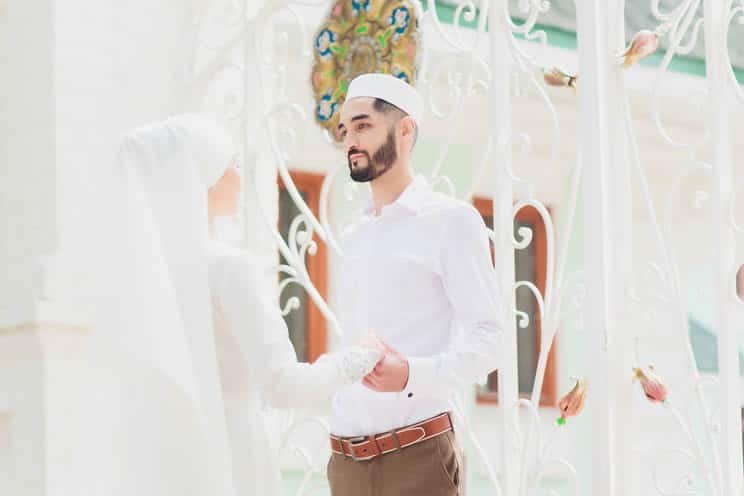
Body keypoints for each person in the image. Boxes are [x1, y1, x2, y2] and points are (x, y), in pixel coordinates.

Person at [119, 114, 382, 495]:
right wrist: (358, 357)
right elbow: (282, 385)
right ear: (204, 178)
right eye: (232, 162)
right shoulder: (229, 268)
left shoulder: (145, 275)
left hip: (168, 462)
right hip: (232, 460)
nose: (241, 172)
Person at [327, 73, 504, 495]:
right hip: (345, 463)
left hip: (417, 458)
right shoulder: (353, 235)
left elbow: (493, 340)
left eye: (364, 125)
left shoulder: (451, 222)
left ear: (405, 130)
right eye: (346, 129)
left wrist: (411, 374)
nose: (351, 140)